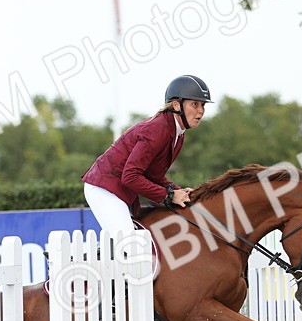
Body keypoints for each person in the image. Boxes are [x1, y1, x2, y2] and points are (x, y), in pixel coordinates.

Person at [82, 74, 212, 233]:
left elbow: (153, 175)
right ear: (177, 105)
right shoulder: (157, 130)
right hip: (104, 188)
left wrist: (177, 190)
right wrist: (169, 196)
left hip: (122, 190)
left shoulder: (178, 133)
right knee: (131, 245)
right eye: (195, 104)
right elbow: (130, 176)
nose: (201, 111)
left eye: (203, 105)